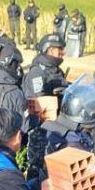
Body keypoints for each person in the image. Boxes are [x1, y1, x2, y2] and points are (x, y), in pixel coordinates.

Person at [23, 33, 69, 176]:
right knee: (37, 165)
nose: (62, 53)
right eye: (59, 50)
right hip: (40, 127)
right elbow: (39, 100)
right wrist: (54, 95)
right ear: (48, 49)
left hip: (57, 124)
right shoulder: (38, 71)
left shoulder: (57, 70)